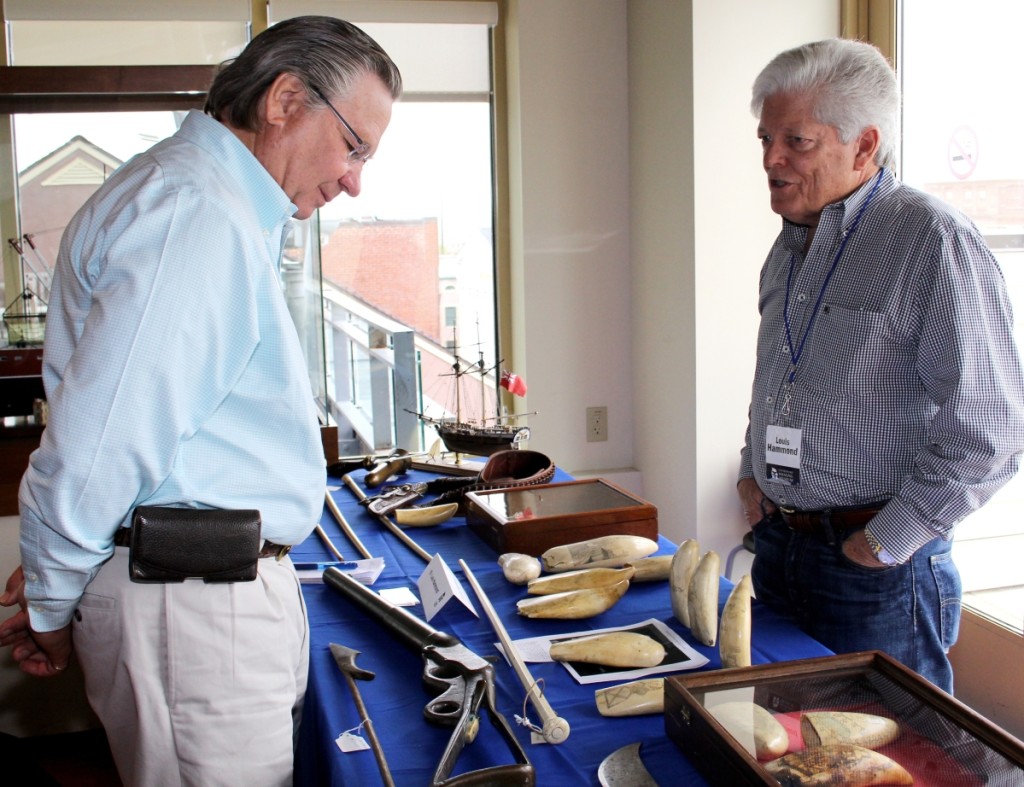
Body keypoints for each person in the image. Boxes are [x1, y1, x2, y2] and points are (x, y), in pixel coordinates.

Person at [0, 16, 401, 786]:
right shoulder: (196, 214)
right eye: (354, 146)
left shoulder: (204, 202)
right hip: (193, 612)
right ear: (285, 99)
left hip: (197, 598)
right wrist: (51, 601)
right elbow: (103, 446)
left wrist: (66, 569)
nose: (355, 179)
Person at [736, 38, 1024, 694]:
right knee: (786, 744)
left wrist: (886, 539)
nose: (771, 160)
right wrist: (754, 472)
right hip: (782, 545)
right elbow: (782, 378)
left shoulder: (931, 240)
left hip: (874, 567)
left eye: (796, 142)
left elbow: (991, 427)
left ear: (864, 146)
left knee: (890, 754)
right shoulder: (789, 249)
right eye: (765, 138)